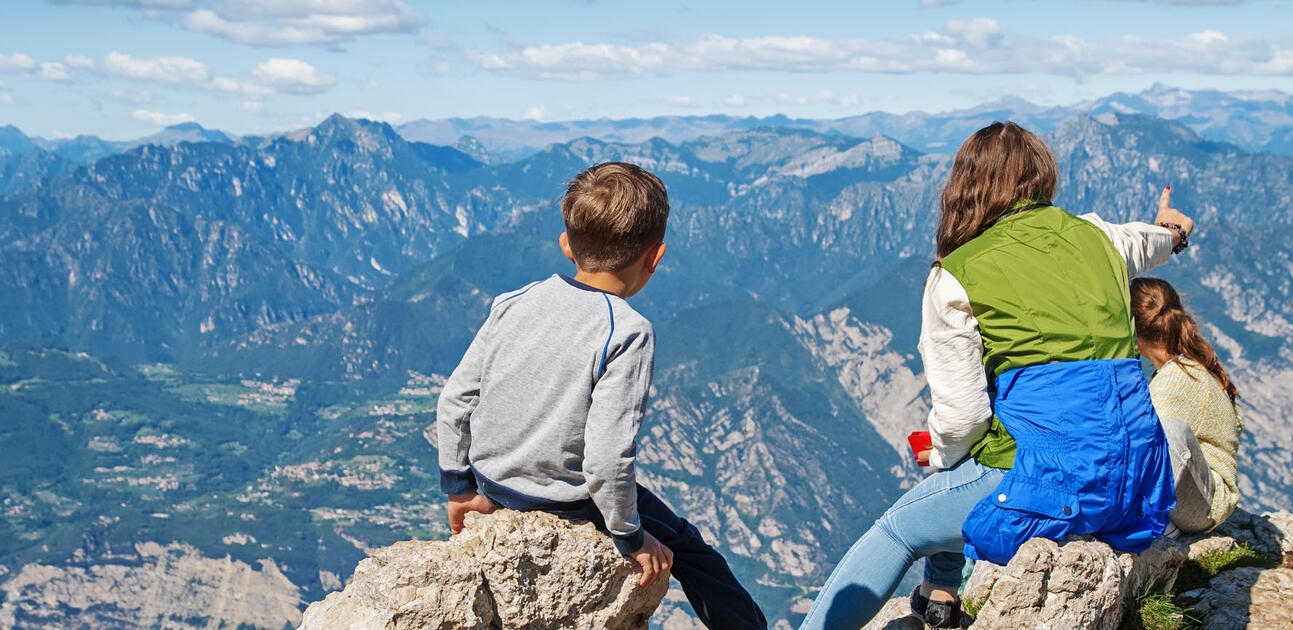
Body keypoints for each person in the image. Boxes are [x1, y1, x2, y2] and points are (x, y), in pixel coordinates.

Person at [800, 121, 1193, 629]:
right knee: (965, 460)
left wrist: (938, 454)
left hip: (1052, 484)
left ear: (966, 189)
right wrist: (1175, 232)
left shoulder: (956, 276)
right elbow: (1149, 242)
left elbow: (962, 419)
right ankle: (940, 601)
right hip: (1136, 481)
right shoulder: (1100, 238)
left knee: (898, 528)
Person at [435, 162, 768, 630]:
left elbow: (454, 401)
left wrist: (459, 488)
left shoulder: (512, 301)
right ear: (655, 257)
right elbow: (607, 462)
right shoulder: (627, 332)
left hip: (491, 484)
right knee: (694, 553)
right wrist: (631, 537)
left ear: (566, 244)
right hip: (566, 500)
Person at [1131, 277, 1244, 536]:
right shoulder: (1191, 365)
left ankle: (1158, 523)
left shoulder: (1177, 379)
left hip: (1202, 506)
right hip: (1203, 495)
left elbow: (1142, 445)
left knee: (1165, 432)